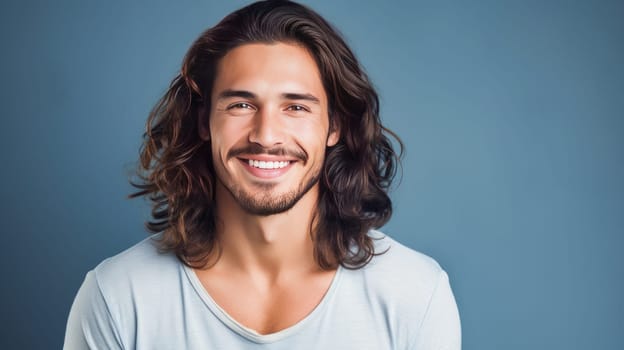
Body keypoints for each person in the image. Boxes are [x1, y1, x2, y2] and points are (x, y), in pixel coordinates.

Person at [63, 1, 461, 349]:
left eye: (296, 108)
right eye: (240, 105)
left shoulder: (415, 295)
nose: (266, 135)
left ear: (334, 127)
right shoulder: (117, 298)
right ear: (205, 122)